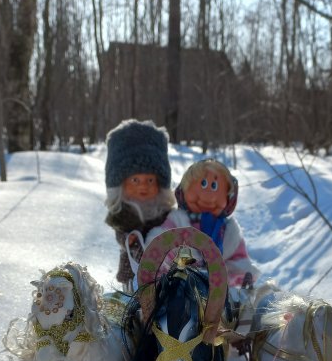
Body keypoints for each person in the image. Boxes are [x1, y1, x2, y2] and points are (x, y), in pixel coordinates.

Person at [147, 158, 259, 288]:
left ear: (229, 197)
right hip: (179, 290)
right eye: (203, 183)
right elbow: (161, 248)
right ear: (184, 190)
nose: (208, 195)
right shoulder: (177, 222)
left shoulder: (229, 232)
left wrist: (231, 278)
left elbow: (239, 262)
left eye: (214, 186)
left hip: (219, 296)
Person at [103, 119, 176, 291]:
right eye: (135, 180)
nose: (143, 186)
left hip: (162, 266)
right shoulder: (123, 212)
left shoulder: (163, 212)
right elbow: (120, 233)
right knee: (133, 294)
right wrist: (129, 240)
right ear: (120, 184)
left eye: (150, 180)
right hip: (132, 264)